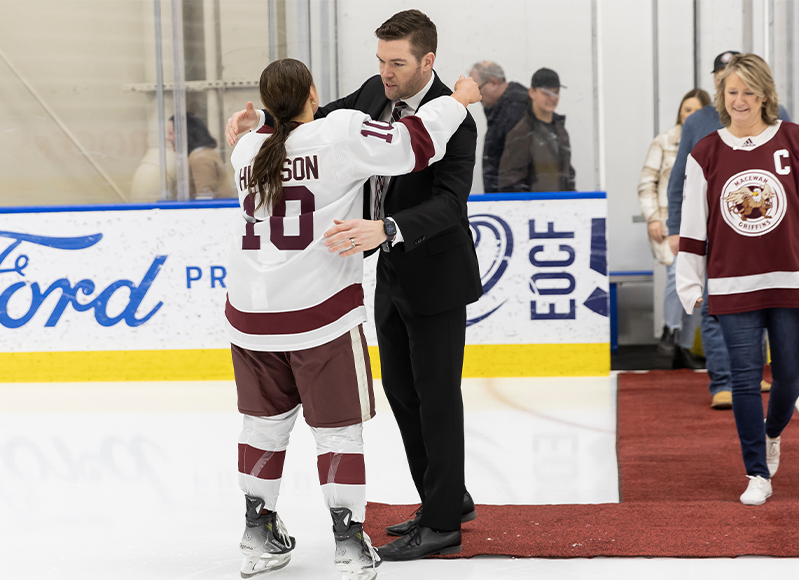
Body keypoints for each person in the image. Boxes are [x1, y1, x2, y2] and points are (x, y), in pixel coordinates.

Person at [226, 10, 483, 562]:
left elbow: (450, 203)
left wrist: (388, 228)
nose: (386, 74)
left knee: (437, 398)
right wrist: (268, 126)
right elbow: (314, 123)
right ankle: (446, 497)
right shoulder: (372, 94)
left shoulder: (457, 120)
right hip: (388, 274)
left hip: (436, 273)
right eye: (381, 62)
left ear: (427, 61)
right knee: (402, 394)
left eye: (397, 63)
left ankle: (442, 524)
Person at [675, 53, 799, 506]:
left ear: (765, 94)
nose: (740, 100)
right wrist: (690, 280)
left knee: (789, 376)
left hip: (793, 279)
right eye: (731, 92)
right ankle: (756, 472)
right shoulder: (706, 152)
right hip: (732, 283)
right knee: (744, 380)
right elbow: (694, 222)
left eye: (748, 91)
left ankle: (772, 432)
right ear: (722, 97)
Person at [667, 51, 790, 409]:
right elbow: (680, 182)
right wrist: (677, 228)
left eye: (734, 76)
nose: (727, 82)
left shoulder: (779, 118)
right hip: (714, 234)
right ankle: (722, 382)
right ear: (716, 80)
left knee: (764, 300)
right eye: (721, 75)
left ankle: (753, 376)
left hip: (764, 230)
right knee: (713, 307)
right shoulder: (698, 122)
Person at [638, 88, 710, 369]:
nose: (689, 115)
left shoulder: (713, 142)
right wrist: (653, 218)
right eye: (685, 109)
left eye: (695, 110)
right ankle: (669, 330)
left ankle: (682, 344)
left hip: (702, 225)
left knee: (697, 284)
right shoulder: (664, 142)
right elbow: (647, 183)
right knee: (674, 275)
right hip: (670, 223)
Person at [497, 67, 575, 192]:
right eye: (546, 93)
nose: (552, 98)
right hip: (534, 208)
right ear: (532, 93)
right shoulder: (522, 132)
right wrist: (531, 207)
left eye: (556, 92)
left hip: (561, 208)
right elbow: (509, 182)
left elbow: (568, 175)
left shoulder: (561, 131)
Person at [468, 61, 529, 193]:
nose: (476, 97)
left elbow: (515, 164)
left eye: (478, 89)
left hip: (514, 200)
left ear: (494, 83)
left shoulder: (515, 111)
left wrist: (507, 200)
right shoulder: (500, 109)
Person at [168, 112, 235, 200]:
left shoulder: (200, 158)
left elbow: (205, 199)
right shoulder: (199, 155)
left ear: (185, 135)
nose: (168, 138)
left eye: (171, 133)